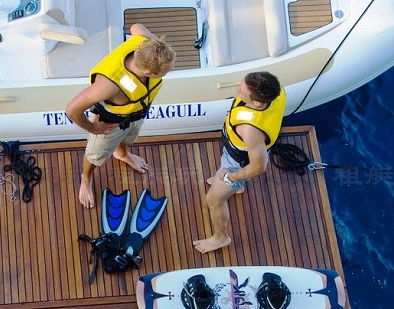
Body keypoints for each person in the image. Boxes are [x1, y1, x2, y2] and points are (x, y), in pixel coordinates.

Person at [65, 24, 176, 208]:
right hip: (110, 124)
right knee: (94, 156)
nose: (171, 70)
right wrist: (93, 128)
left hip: (135, 116)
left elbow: (136, 27)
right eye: (167, 70)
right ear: (148, 73)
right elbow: (72, 109)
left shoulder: (148, 42)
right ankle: (86, 179)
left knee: (127, 138)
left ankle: (122, 154)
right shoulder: (109, 86)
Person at [193, 71, 285, 253]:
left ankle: (221, 238)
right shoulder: (277, 92)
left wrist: (232, 177)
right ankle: (236, 186)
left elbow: (258, 167)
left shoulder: (250, 129)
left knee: (213, 199)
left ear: (257, 103)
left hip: (237, 164)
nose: (237, 90)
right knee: (224, 175)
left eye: (241, 91)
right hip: (237, 151)